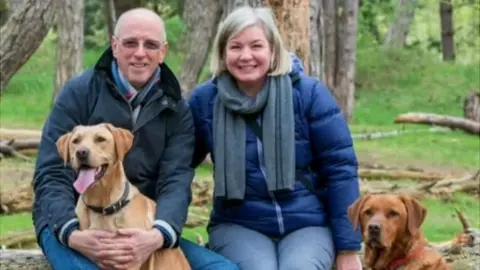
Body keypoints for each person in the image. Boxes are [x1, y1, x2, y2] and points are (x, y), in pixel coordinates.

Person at [32, 7, 239, 270]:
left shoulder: (175, 108)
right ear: (114, 46)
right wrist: (72, 233)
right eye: (130, 43)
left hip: (138, 225)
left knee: (222, 268)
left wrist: (156, 235)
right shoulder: (79, 93)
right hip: (71, 222)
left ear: (162, 52)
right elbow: (50, 173)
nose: (140, 53)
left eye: (150, 45)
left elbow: (175, 179)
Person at [188, 6, 363, 270]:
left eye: (256, 46)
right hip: (239, 224)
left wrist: (348, 248)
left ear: (273, 49)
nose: (246, 56)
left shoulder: (308, 94)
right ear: (223, 53)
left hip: (308, 223)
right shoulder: (205, 102)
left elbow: (340, 170)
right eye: (236, 47)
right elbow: (175, 164)